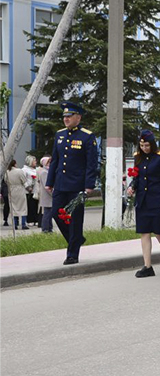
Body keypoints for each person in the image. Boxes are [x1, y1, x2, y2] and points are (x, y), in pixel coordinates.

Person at [45, 101, 98, 264]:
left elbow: (91, 163)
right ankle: (76, 239)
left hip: (77, 186)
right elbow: (55, 160)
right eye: (64, 117)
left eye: (69, 116)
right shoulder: (60, 135)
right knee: (55, 213)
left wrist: (89, 186)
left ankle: (72, 254)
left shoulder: (87, 136)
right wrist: (50, 181)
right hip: (61, 183)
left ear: (78, 117)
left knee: (75, 219)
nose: (66, 119)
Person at [128, 130, 160, 278]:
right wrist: (132, 186)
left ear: (153, 144)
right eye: (141, 145)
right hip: (142, 200)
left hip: (158, 199)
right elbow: (137, 176)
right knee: (144, 232)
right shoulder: (138, 157)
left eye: (147, 145)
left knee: (159, 232)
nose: (144, 148)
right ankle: (147, 266)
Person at [5, 161, 29, 230]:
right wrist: (28, 188)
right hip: (20, 189)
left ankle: (15, 224)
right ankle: (23, 224)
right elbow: (24, 181)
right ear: (15, 164)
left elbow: (6, 181)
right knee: (23, 207)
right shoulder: (19, 171)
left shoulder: (7, 172)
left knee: (14, 207)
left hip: (11, 190)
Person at [36, 157, 53, 233]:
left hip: (48, 195)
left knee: (49, 213)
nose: (50, 164)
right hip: (47, 196)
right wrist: (53, 193)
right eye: (48, 162)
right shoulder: (44, 172)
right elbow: (47, 185)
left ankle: (49, 227)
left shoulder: (48, 171)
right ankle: (45, 228)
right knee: (47, 213)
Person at [22, 155, 40, 227]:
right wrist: (28, 187)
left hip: (35, 190)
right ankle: (30, 219)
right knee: (30, 205)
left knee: (35, 205)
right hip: (28, 190)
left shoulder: (36, 169)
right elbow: (23, 180)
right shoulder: (24, 170)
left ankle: (36, 219)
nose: (35, 162)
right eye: (34, 161)